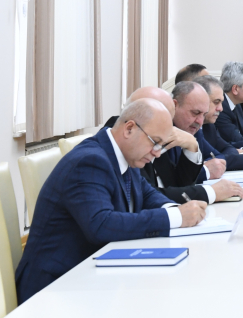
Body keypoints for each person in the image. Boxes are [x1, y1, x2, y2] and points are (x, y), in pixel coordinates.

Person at [15, 99, 207, 302]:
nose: (157, 153)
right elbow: (101, 224)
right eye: (155, 142)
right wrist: (176, 217)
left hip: (92, 274)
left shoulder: (125, 155)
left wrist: (175, 208)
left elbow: (146, 194)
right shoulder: (89, 161)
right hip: (54, 289)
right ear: (129, 129)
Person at [103, 86, 239, 204]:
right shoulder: (120, 141)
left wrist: (192, 146)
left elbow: (176, 184)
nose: (168, 127)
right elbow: (146, 197)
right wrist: (210, 192)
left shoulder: (156, 133)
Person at [193, 75, 243, 174]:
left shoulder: (208, 126)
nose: (220, 109)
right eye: (216, 102)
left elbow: (226, 148)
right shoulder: (191, 127)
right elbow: (205, 163)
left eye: (221, 103)